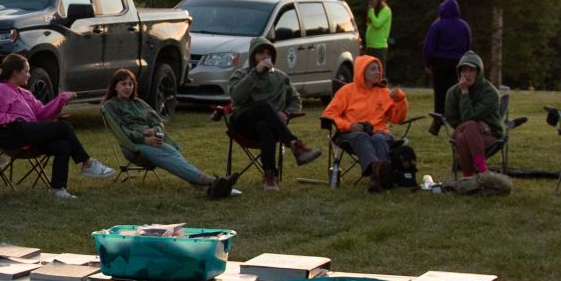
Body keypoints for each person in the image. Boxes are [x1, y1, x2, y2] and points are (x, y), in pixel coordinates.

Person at [0, 53, 115, 201]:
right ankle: (88, 163)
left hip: (28, 133)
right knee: (63, 127)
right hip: (9, 134)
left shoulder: (25, 94)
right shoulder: (0, 89)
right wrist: (12, 119)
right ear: (15, 73)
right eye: (26, 71)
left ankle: (58, 189)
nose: (29, 74)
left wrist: (62, 98)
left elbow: (43, 113)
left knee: (63, 146)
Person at [99, 68, 238, 199]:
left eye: (130, 84)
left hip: (154, 140)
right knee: (168, 156)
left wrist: (155, 131)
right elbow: (122, 131)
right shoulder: (110, 106)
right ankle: (213, 180)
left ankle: (211, 188)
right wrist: (143, 137)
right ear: (115, 87)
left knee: (173, 153)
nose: (128, 87)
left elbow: (158, 121)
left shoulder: (139, 103)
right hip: (133, 146)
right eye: (123, 84)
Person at [225, 41, 317, 189]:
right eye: (261, 53)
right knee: (265, 107)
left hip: (271, 128)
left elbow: (295, 99)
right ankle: (294, 144)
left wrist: (286, 113)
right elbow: (237, 96)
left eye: (268, 54)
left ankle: (269, 176)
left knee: (264, 125)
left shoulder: (280, 78)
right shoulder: (241, 74)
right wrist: (255, 72)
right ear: (252, 56)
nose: (265, 57)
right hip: (243, 124)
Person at [322, 52, 411, 188]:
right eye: (373, 69)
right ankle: (379, 173)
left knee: (379, 138)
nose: (377, 72)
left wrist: (400, 100)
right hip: (350, 134)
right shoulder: (347, 91)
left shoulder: (385, 93)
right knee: (362, 137)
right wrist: (349, 125)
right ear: (361, 71)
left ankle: (378, 177)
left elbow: (398, 118)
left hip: (378, 132)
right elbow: (329, 114)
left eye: (378, 69)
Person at [439, 50, 504, 178]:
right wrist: (463, 91)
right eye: (464, 71)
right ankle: (480, 170)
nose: (467, 74)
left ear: (479, 72)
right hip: (463, 131)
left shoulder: (490, 93)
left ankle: (469, 174)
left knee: (468, 128)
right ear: (459, 73)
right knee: (468, 128)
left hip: (490, 134)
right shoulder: (452, 92)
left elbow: (469, 117)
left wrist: (464, 92)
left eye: (471, 70)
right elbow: (452, 118)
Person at [420, 0, 474, 114]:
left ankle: (439, 116)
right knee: (455, 90)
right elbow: (467, 44)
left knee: (440, 91)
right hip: (458, 63)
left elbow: (429, 46)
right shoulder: (464, 26)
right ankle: (454, 114)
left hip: (440, 63)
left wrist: (427, 63)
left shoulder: (437, 26)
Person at [362, 0, 393, 64]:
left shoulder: (385, 10)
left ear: (378, 0)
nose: (370, 2)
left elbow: (377, 24)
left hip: (379, 47)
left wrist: (371, 10)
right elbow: (369, 24)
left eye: (372, 0)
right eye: (369, 0)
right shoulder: (375, 10)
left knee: (379, 72)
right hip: (370, 46)